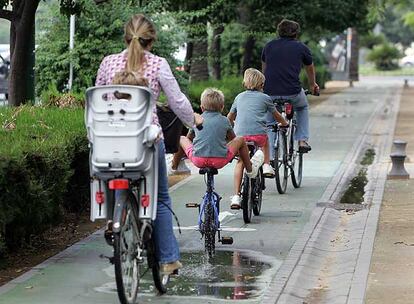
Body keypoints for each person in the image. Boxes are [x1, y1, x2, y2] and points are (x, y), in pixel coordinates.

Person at [95, 14, 203, 274]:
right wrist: (195, 119)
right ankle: (168, 259)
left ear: (125, 37)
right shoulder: (157, 64)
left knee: (116, 175)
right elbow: (176, 101)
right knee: (161, 199)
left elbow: (97, 96)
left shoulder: (108, 63)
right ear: (151, 40)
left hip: (109, 143)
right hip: (144, 143)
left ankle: (114, 219)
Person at [172, 88, 264, 182]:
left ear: (202, 107)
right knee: (240, 139)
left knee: (182, 138)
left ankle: (174, 166)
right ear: (222, 107)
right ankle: (250, 170)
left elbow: (189, 138)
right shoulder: (225, 120)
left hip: (198, 159)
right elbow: (233, 139)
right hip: (220, 160)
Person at [227, 68, 288, 209]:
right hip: (258, 136)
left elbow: (229, 118)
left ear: (244, 83)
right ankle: (266, 165)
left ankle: (236, 196)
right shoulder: (265, 98)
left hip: (240, 137)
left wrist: (229, 130)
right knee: (266, 139)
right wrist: (284, 123)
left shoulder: (238, 97)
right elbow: (276, 115)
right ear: (261, 85)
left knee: (241, 162)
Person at [261, 19, 319, 153]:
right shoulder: (301, 48)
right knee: (302, 107)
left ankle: (269, 160)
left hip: (270, 91)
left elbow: (264, 70)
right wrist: (312, 85)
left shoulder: (268, 46)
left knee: (270, 120)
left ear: (279, 32)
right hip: (292, 92)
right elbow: (309, 68)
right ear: (296, 33)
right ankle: (302, 140)